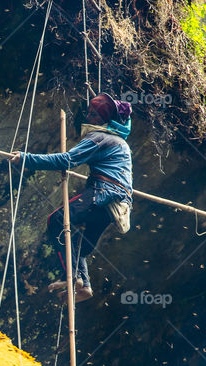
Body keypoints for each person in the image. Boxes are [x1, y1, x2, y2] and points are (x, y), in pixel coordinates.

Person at [9, 93, 133, 302]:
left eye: (94, 114)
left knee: (57, 220)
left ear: (105, 121)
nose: (88, 116)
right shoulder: (120, 142)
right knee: (80, 246)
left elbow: (67, 160)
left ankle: (73, 278)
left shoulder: (100, 137)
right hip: (117, 204)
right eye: (89, 112)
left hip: (104, 192)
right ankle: (83, 285)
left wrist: (26, 158)